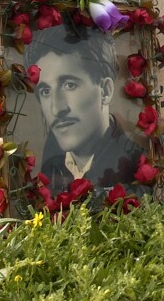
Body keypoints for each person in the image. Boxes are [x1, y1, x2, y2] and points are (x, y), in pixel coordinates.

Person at [24, 21, 147, 196]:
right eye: (45, 91)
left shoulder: (136, 164)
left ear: (105, 91)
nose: (56, 109)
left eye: (69, 85)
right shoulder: (50, 164)